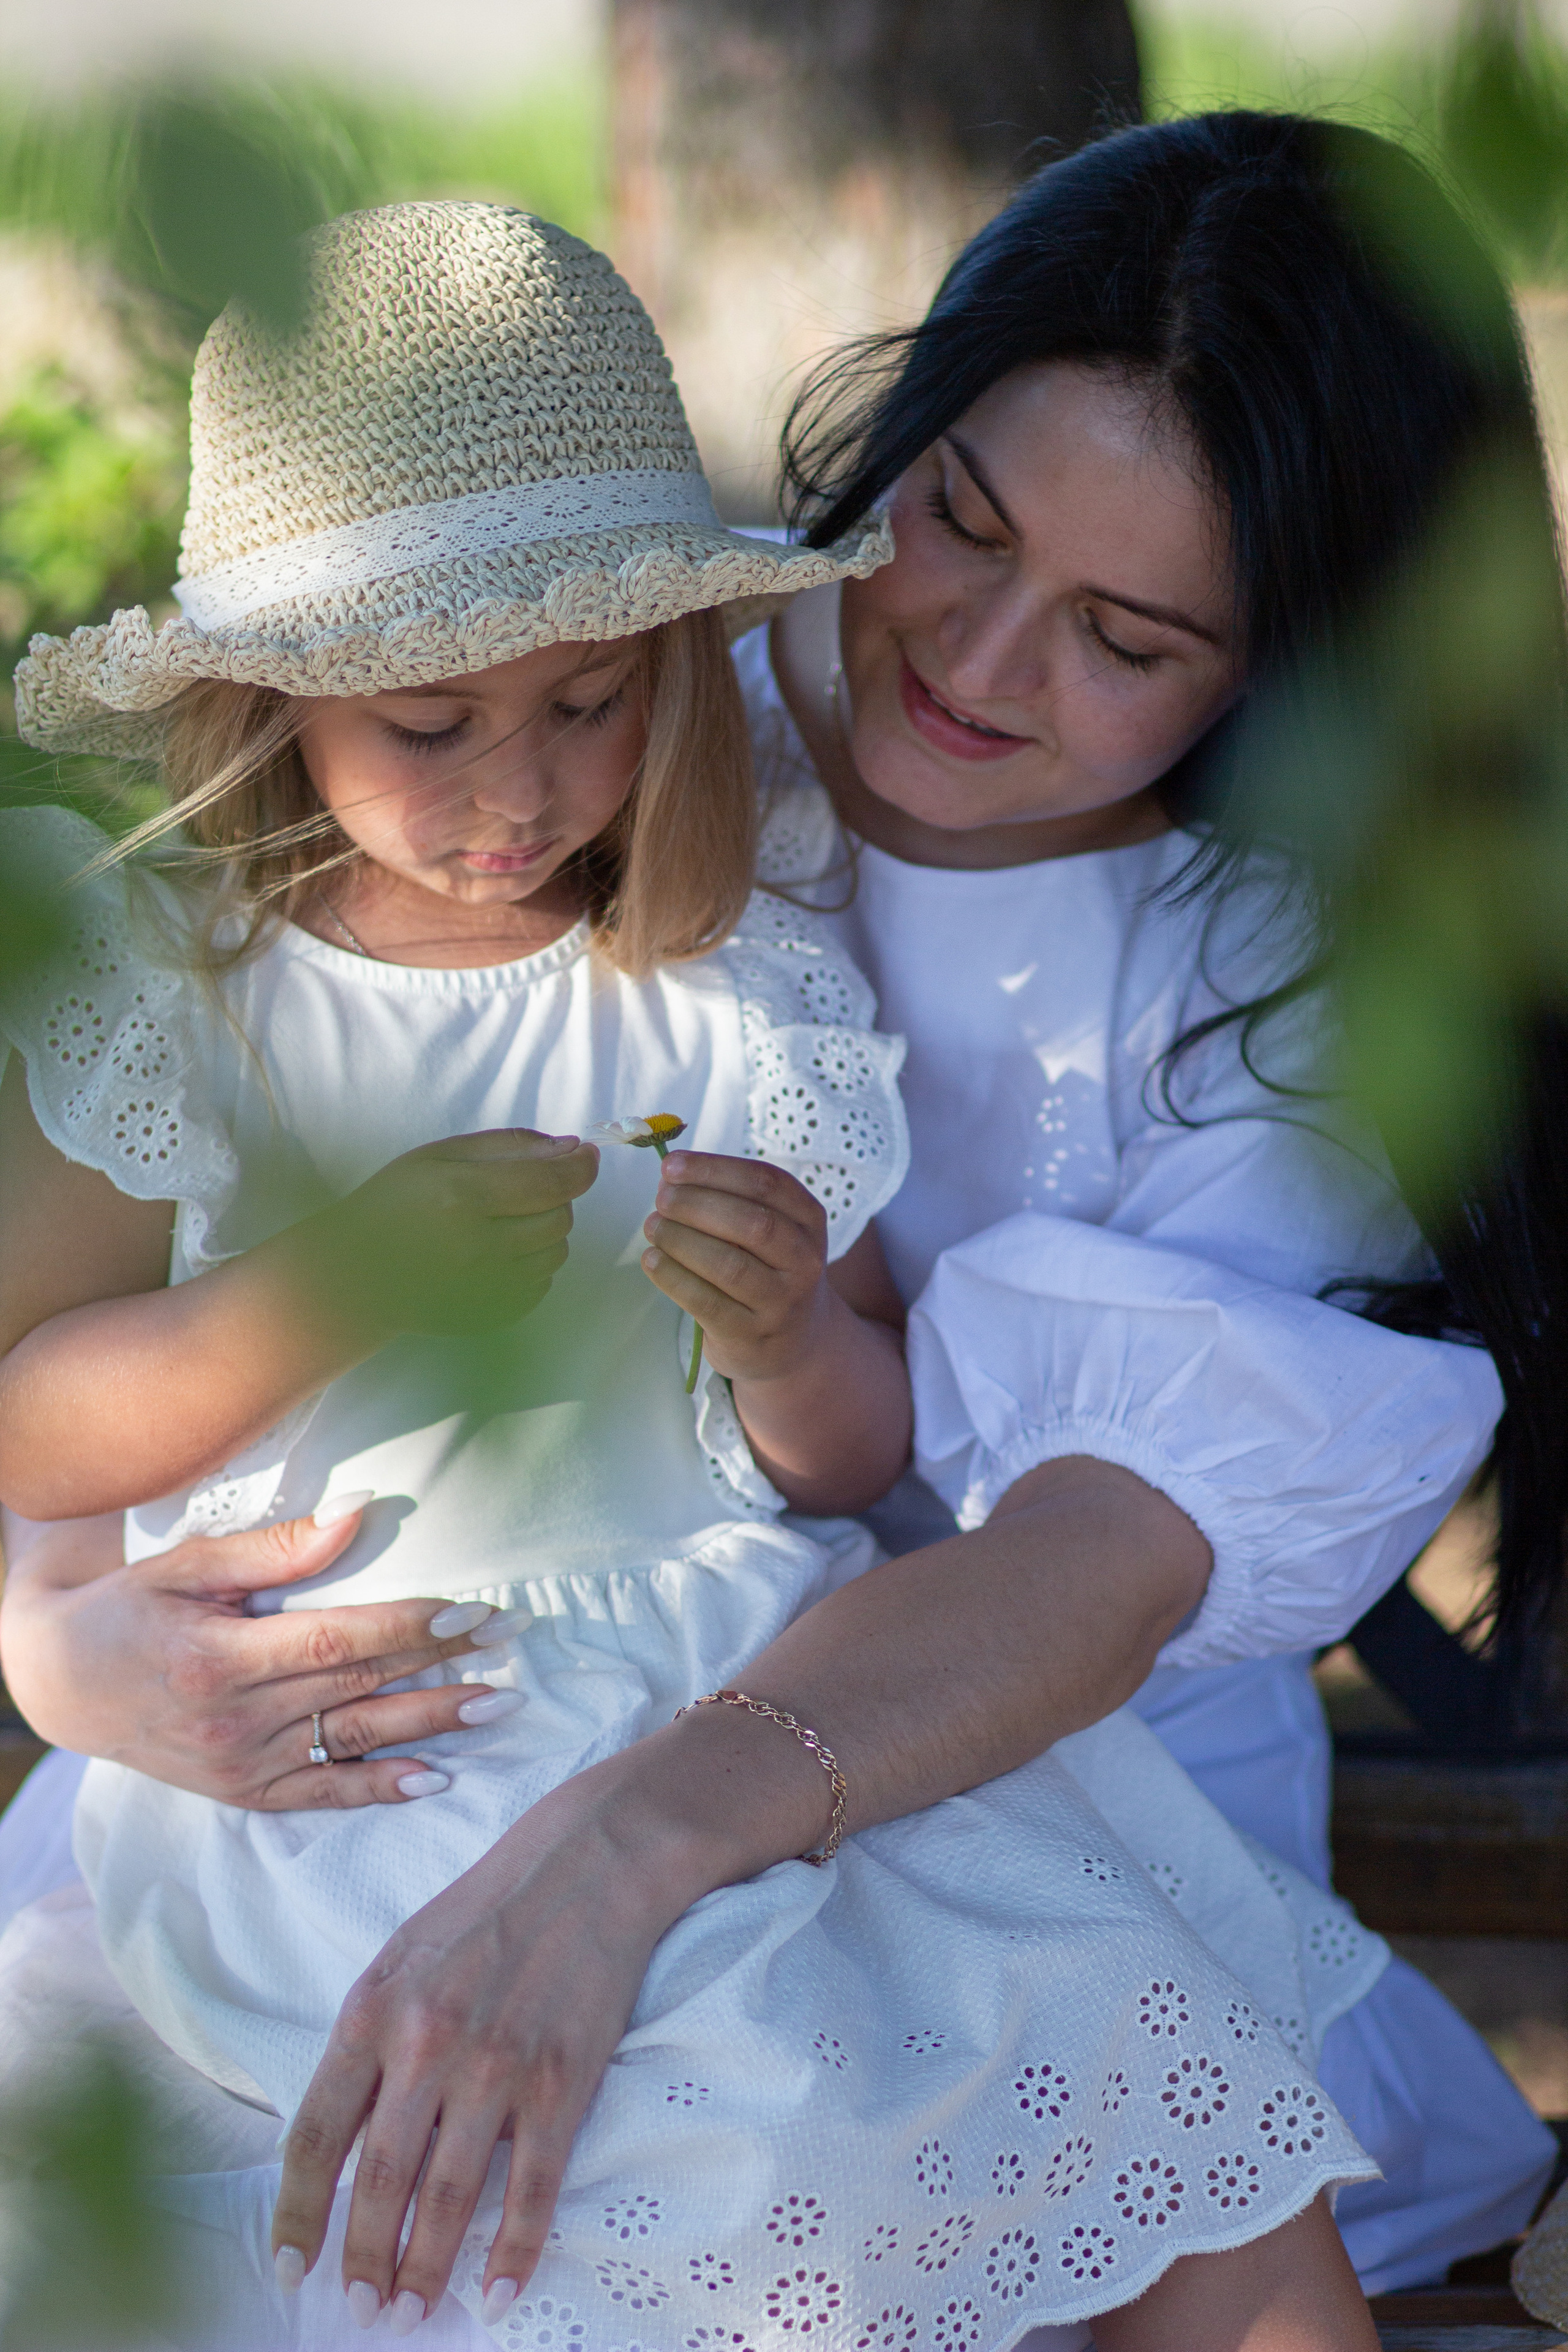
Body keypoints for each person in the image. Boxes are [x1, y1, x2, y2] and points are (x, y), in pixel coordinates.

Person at [0, 200, 1390, 2352]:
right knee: (615, 2167)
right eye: (436, 726)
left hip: (754, 1672)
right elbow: (36, 1411)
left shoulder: (728, 975)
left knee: (1149, 2109)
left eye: (586, 704)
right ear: (274, 699)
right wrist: (310, 1302)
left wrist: (784, 1335)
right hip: (378, 1700)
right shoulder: (199, 994)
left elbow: (844, 1458)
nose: (526, 786)